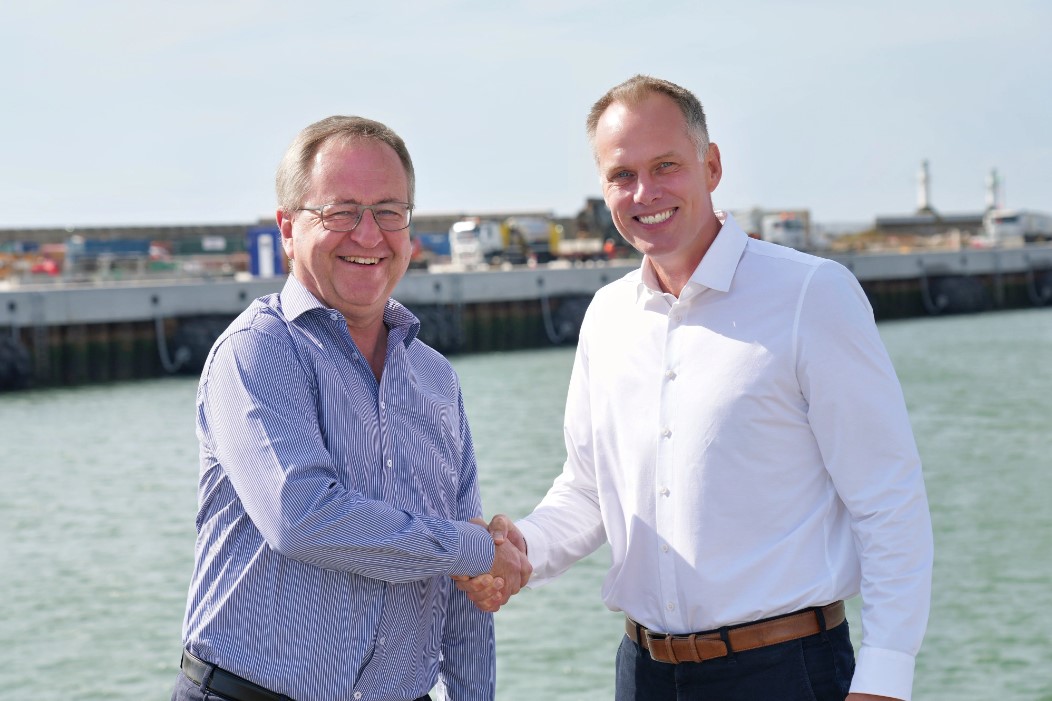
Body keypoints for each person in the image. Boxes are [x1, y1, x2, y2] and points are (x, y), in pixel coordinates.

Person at [460, 75, 933, 701]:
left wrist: (885, 678)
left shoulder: (811, 295)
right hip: (643, 674)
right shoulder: (606, 317)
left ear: (711, 166)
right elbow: (589, 489)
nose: (644, 192)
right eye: (622, 175)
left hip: (786, 673)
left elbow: (888, 500)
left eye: (665, 166)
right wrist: (522, 549)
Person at [173, 115, 529, 701]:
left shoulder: (435, 378)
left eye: (389, 211)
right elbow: (303, 517)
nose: (369, 235)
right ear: (288, 229)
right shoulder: (258, 349)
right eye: (341, 212)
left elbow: (465, 587)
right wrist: (474, 548)